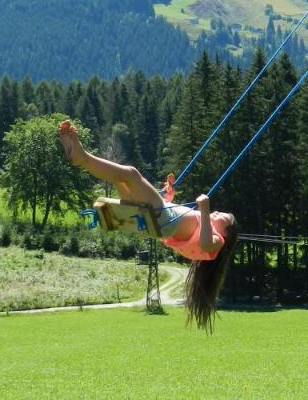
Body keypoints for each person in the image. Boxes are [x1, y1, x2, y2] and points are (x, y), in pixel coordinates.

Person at [58, 119, 237, 330]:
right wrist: (169, 195)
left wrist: (205, 210)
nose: (216, 212)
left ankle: (82, 157)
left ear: (226, 232)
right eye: (217, 211)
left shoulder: (216, 241)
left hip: (161, 218)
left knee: (131, 174)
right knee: (121, 177)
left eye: (222, 216)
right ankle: (80, 156)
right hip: (159, 217)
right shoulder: (203, 223)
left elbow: (206, 243)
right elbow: (177, 216)